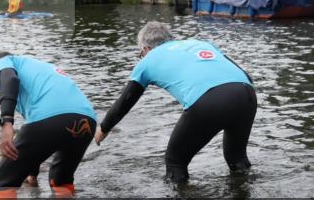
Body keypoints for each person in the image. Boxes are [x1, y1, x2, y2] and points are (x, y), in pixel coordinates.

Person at [94, 22, 257, 183]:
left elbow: (126, 100)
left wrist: (104, 128)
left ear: (146, 49)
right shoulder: (200, 43)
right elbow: (246, 76)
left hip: (209, 101)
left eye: (141, 54)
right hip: (246, 94)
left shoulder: (148, 60)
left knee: (175, 161)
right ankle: (245, 195)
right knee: (237, 159)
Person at [0, 52, 97, 200]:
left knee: (1, 184)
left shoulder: (2, 62)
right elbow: (37, 145)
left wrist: (6, 122)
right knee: (60, 180)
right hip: (87, 119)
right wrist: (32, 175)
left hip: (51, 116)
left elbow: (10, 79)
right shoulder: (40, 69)